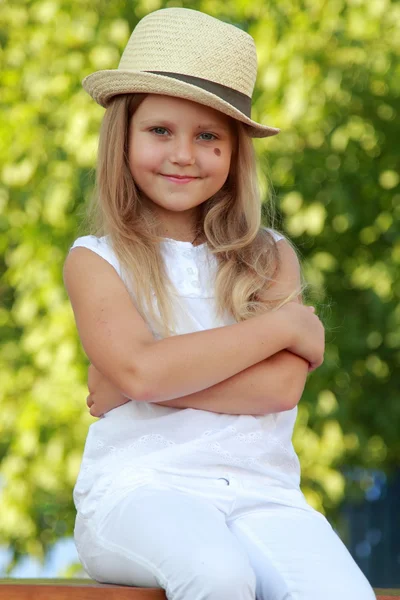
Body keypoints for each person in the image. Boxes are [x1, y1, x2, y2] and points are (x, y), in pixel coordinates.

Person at [63, 8, 375, 600]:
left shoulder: (269, 256)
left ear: (235, 153)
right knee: (219, 575)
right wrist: (283, 324)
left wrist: (142, 379)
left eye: (208, 136)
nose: (184, 154)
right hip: (139, 491)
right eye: (160, 131)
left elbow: (278, 389)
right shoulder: (98, 258)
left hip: (263, 495)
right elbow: (137, 371)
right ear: (122, 136)